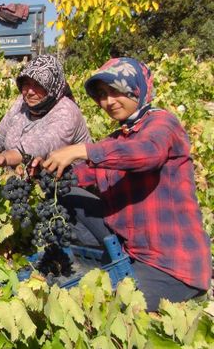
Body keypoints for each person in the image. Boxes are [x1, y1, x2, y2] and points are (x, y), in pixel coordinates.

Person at [33, 57, 211, 311]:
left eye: (116, 91)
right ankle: (94, 259)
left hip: (172, 265)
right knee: (68, 193)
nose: (109, 102)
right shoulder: (117, 139)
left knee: (109, 309)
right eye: (102, 95)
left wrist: (81, 149)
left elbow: (148, 153)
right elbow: (83, 175)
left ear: (136, 89)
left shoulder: (162, 124)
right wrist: (46, 170)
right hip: (133, 252)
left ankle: (189, 292)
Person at [0, 54, 91, 180]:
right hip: (25, 178)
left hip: (66, 186)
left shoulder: (66, 111)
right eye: (26, 84)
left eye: (38, 85)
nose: (30, 92)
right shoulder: (22, 102)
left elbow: (37, 148)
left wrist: (2, 158)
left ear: (52, 87)